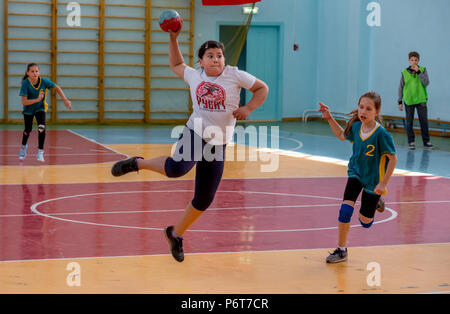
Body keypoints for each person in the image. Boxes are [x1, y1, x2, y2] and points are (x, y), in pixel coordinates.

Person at [111, 27, 269, 262]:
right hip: (196, 131)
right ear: (201, 61)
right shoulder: (195, 75)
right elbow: (176, 65)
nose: (216, 59)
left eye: (219, 55)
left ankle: (175, 234)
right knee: (177, 168)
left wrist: (248, 108)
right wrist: (173, 39)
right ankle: (137, 163)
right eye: (211, 56)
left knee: (204, 199)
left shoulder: (235, 75)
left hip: (219, 142)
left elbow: (261, 88)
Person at [319, 91, 397, 263]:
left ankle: (376, 201)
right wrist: (329, 117)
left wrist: (383, 184)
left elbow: (393, 159)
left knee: (365, 222)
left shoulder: (382, 134)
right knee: (345, 210)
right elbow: (341, 135)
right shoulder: (355, 126)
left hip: (373, 181)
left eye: (368, 109)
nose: (363, 111)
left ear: (376, 112)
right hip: (355, 173)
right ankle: (341, 250)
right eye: (361, 107)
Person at [19, 63, 72, 161]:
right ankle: (23, 147)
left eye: (36, 71)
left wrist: (65, 99)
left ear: (39, 72)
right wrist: (37, 99)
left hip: (40, 108)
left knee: (41, 127)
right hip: (28, 110)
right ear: (28, 73)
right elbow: (24, 102)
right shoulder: (25, 83)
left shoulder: (44, 81)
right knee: (28, 130)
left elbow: (57, 88)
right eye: (32, 71)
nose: (35, 73)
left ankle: (40, 152)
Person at [398, 51, 433, 150]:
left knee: (424, 122)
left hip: (421, 100)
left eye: (416, 60)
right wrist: (400, 101)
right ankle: (411, 142)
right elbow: (400, 87)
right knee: (409, 122)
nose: (414, 62)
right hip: (409, 101)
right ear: (409, 60)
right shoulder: (404, 72)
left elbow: (426, 83)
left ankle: (426, 142)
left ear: (418, 61)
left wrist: (418, 72)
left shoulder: (423, 70)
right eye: (412, 60)